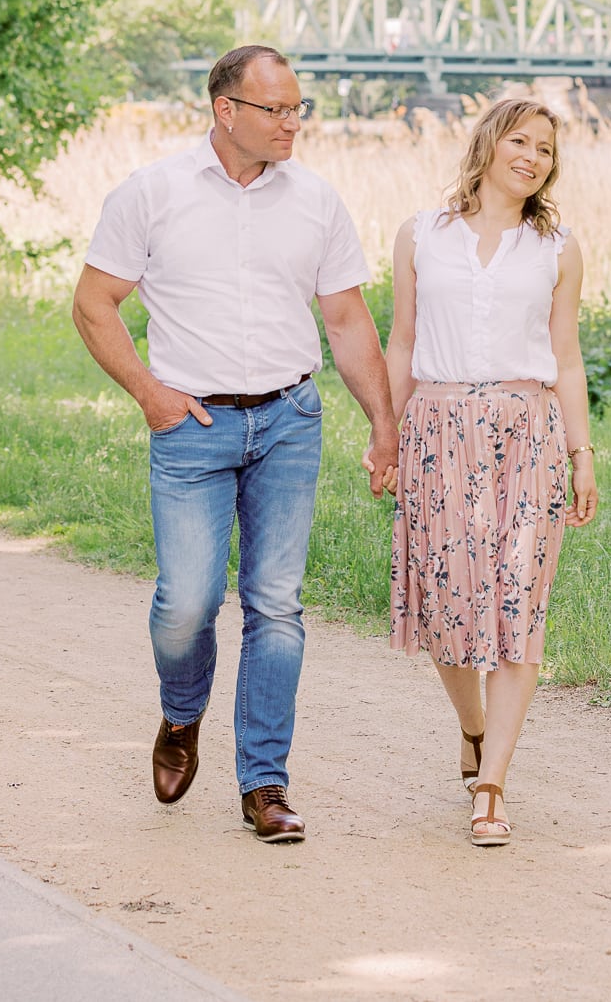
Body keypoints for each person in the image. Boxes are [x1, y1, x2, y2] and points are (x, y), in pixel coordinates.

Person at [72, 45, 398, 844]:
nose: (293, 123)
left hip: (289, 419)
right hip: (193, 427)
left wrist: (384, 424)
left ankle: (264, 782)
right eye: (277, 109)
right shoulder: (153, 194)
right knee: (186, 604)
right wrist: (151, 394)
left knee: (276, 604)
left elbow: (349, 321)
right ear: (227, 110)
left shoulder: (317, 200)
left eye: (298, 109)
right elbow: (92, 303)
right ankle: (181, 715)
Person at [384, 97, 598, 847]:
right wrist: (385, 433)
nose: (533, 156)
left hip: (527, 434)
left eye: (545, 148)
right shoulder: (421, 235)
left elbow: (565, 357)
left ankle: (491, 784)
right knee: (447, 612)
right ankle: (471, 726)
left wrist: (582, 452)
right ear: (489, 143)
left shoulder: (558, 248)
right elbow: (402, 340)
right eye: (520, 140)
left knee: (517, 608)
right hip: (437, 432)